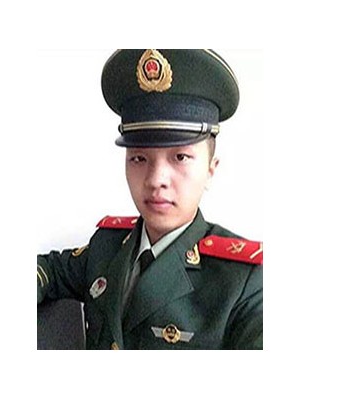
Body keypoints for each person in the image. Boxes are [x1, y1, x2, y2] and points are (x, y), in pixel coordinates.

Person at [37, 49, 263, 350]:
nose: (156, 179)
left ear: (211, 169)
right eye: (139, 158)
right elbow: (49, 270)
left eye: (180, 157)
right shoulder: (106, 247)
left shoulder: (245, 281)